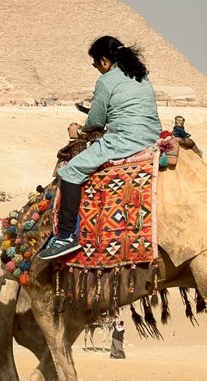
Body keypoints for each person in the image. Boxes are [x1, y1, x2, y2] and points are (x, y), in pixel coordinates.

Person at [38, 36, 161, 261]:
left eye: (95, 63)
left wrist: (80, 130)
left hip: (125, 139)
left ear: (104, 60)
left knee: (71, 171)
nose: (95, 67)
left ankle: (65, 237)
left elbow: (96, 121)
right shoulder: (140, 76)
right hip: (151, 137)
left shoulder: (107, 80)